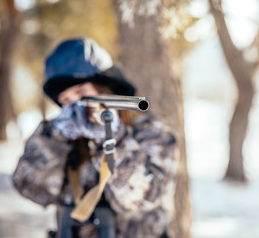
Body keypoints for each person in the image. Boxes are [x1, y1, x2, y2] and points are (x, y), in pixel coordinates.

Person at [12, 37, 178, 238]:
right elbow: (30, 187)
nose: (75, 105)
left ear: (105, 91)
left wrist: (112, 140)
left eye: (82, 93)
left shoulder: (151, 134)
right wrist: (56, 137)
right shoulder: (54, 135)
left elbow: (144, 197)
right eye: (66, 100)